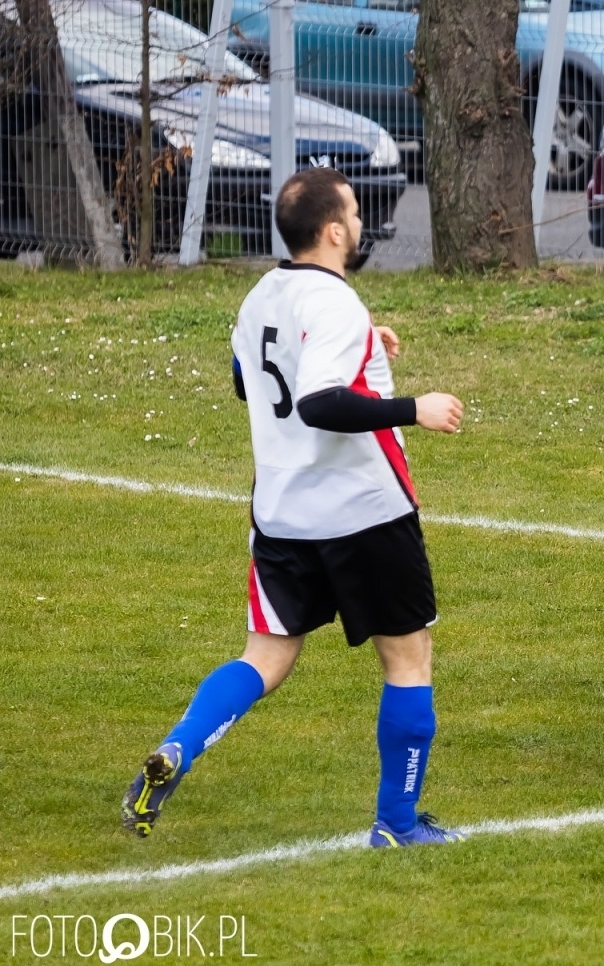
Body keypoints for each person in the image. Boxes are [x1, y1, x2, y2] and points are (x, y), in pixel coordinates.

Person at [122, 167, 467, 846]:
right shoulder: (335, 304)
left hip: (282, 514)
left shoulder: (261, 296)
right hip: (364, 514)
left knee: (266, 657)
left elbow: (247, 382)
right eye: (357, 214)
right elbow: (318, 402)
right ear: (335, 230)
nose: (361, 225)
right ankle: (397, 825)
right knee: (408, 660)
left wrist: (366, 345)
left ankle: (178, 749)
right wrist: (411, 408)